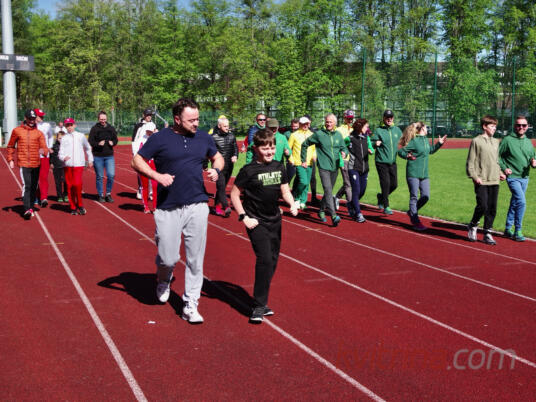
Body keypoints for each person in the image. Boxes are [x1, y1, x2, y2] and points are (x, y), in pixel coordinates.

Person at [131, 98, 224, 324]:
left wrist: (216, 170)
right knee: (168, 257)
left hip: (197, 204)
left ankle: (190, 304)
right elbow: (137, 161)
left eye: (197, 119)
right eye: (191, 120)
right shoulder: (160, 138)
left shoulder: (203, 137)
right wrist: (157, 176)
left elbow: (218, 157)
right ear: (177, 119)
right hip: (168, 207)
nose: (196, 123)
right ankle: (164, 278)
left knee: (195, 260)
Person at [230, 128, 298, 323]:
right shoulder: (248, 170)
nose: (270, 152)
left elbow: (285, 190)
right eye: (265, 148)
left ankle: (260, 298)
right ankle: (259, 306)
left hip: (275, 219)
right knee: (265, 259)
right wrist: (244, 217)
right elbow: (234, 194)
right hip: (256, 221)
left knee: (273, 260)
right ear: (256, 148)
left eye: (272, 148)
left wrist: (292, 204)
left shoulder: (279, 166)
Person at [300, 113, 348, 226]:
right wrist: (303, 160)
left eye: (331, 122)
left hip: (335, 167)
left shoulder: (338, 135)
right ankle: (333, 215)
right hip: (323, 167)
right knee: (328, 190)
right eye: (327, 121)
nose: (328, 124)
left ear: (335, 123)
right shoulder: (319, 134)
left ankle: (321, 210)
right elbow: (304, 144)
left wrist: (344, 153)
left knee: (328, 191)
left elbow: (344, 147)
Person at [397, 122, 446, 231]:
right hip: (413, 173)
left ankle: (411, 212)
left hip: (424, 174)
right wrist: (407, 156)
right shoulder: (414, 141)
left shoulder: (425, 140)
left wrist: (439, 144)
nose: (427, 128)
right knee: (414, 197)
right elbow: (400, 152)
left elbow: (430, 151)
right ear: (422, 129)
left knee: (426, 196)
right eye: (426, 127)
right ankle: (415, 221)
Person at [466, 116, 506, 245]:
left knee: (492, 208)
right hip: (481, 180)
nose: (494, 128)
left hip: (494, 179)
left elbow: (496, 161)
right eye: (492, 126)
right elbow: (470, 162)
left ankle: (487, 233)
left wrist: (500, 173)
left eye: (495, 126)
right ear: (484, 126)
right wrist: (474, 176)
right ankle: (473, 225)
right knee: (482, 206)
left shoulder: (496, 141)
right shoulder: (476, 141)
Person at [498, 115, 536, 242]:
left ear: (527, 126)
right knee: (521, 202)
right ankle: (518, 230)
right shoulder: (507, 140)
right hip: (513, 177)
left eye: (524, 125)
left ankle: (508, 228)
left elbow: (533, 157)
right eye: (518, 125)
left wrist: (533, 163)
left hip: (525, 177)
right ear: (515, 126)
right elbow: (496, 155)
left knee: (515, 202)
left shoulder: (528, 141)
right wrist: (504, 168)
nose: (521, 127)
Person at [7, 109, 49, 219]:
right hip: (24, 163)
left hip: (36, 164)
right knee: (27, 185)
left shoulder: (39, 133)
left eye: (33, 119)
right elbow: (11, 146)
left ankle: (30, 206)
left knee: (34, 187)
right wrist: (10, 159)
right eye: (30, 118)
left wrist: (44, 151)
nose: (32, 121)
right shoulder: (17, 131)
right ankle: (27, 209)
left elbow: (44, 147)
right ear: (25, 118)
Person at [59, 118, 94, 215]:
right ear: (65, 127)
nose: (69, 127)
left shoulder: (81, 136)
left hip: (78, 165)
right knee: (70, 186)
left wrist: (90, 159)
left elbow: (88, 148)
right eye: (67, 125)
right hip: (68, 165)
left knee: (77, 185)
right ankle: (73, 207)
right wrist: (63, 157)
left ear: (74, 125)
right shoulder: (64, 138)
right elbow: (60, 152)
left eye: (71, 125)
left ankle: (80, 204)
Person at [372, 109, 403, 215]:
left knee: (394, 185)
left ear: (393, 118)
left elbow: (404, 140)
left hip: (392, 162)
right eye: (387, 117)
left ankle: (381, 197)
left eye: (391, 117)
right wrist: (375, 144)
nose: (389, 119)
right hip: (381, 161)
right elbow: (370, 143)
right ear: (383, 118)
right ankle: (386, 206)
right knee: (385, 184)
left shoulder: (397, 130)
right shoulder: (378, 130)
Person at [210, 116, 238, 217]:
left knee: (222, 187)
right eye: (225, 126)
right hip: (218, 167)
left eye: (228, 126)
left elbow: (235, 148)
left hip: (229, 166)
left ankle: (216, 206)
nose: (227, 128)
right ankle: (226, 207)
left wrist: (235, 156)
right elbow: (208, 152)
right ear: (219, 126)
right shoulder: (213, 137)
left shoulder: (232, 136)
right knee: (221, 187)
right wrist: (204, 165)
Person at [88, 110, 118, 203]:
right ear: (98, 119)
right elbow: (90, 141)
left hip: (109, 156)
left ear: (107, 118)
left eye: (104, 119)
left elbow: (115, 139)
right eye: (101, 119)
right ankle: (100, 195)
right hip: (98, 156)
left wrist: (113, 143)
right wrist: (98, 144)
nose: (103, 121)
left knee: (111, 175)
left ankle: (108, 193)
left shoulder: (111, 128)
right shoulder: (94, 129)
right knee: (100, 176)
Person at [347, 118, 373, 223]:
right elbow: (341, 146)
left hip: (365, 169)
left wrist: (371, 150)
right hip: (353, 168)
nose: (367, 128)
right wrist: (343, 153)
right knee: (356, 190)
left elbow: (371, 147)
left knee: (362, 191)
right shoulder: (350, 138)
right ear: (360, 126)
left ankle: (351, 204)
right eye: (366, 126)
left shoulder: (366, 137)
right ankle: (358, 213)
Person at [288, 116, 316, 210]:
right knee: (303, 181)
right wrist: (291, 159)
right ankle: (296, 198)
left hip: (309, 163)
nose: (305, 125)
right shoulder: (294, 135)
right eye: (303, 124)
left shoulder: (312, 134)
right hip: (298, 162)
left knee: (307, 183)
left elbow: (314, 148)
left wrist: (314, 156)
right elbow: (288, 148)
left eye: (307, 123)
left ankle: (303, 201)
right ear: (300, 124)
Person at [132, 108, 158, 202]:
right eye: (147, 115)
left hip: (151, 153)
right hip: (141, 152)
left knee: (151, 172)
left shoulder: (153, 125)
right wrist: (135, 153)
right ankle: (141, 189)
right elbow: (134, 140)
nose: (149, 116)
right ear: (144, 115)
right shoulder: (138, 126)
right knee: (142, 172)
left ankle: (151, 192)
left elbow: (156, 138)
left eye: (150, 115)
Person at [335, 109, 355, 214]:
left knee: (350, 182)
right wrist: (341, 160)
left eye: (351, 118)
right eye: (348, 118)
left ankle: (337, 197)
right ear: (344, 118)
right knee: (348, 183)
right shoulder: (339, 130)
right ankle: (351, 206)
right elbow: (337, 145)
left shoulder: (354, 129)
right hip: (344, 159)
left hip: (354, 160)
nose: (350, 120)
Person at [34, 108, 54, 208]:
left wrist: (49, 147)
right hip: (33, 156)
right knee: (34, 178)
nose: (42, 117)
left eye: (42, 116)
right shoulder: (30, 126)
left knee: (43, 177)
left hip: (44, 156)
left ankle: (44, 198)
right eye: (39, 116)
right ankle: (36, 196)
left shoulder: (47, 125)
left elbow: (50, 137)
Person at [50, 130, 68, 203]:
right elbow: (51, 156)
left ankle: (66, 194)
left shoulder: (67, 146)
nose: (61, 140)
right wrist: (51, 163)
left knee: (66, 181)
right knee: (58, 182)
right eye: (60, 138)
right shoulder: (54, 147)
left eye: (63, 138)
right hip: (57, 166)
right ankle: (59, 196)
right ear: (57, 138)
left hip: (65, 165)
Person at [283, 118, 300, 185]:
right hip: (291, 158)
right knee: (289, 176)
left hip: (300, 158)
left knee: (299, 177)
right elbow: (285, 146)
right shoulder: (287, 134)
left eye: (295, 126)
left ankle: (295, 190)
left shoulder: (301, 133)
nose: (293, 128)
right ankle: (285, 188)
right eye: (292, 126)